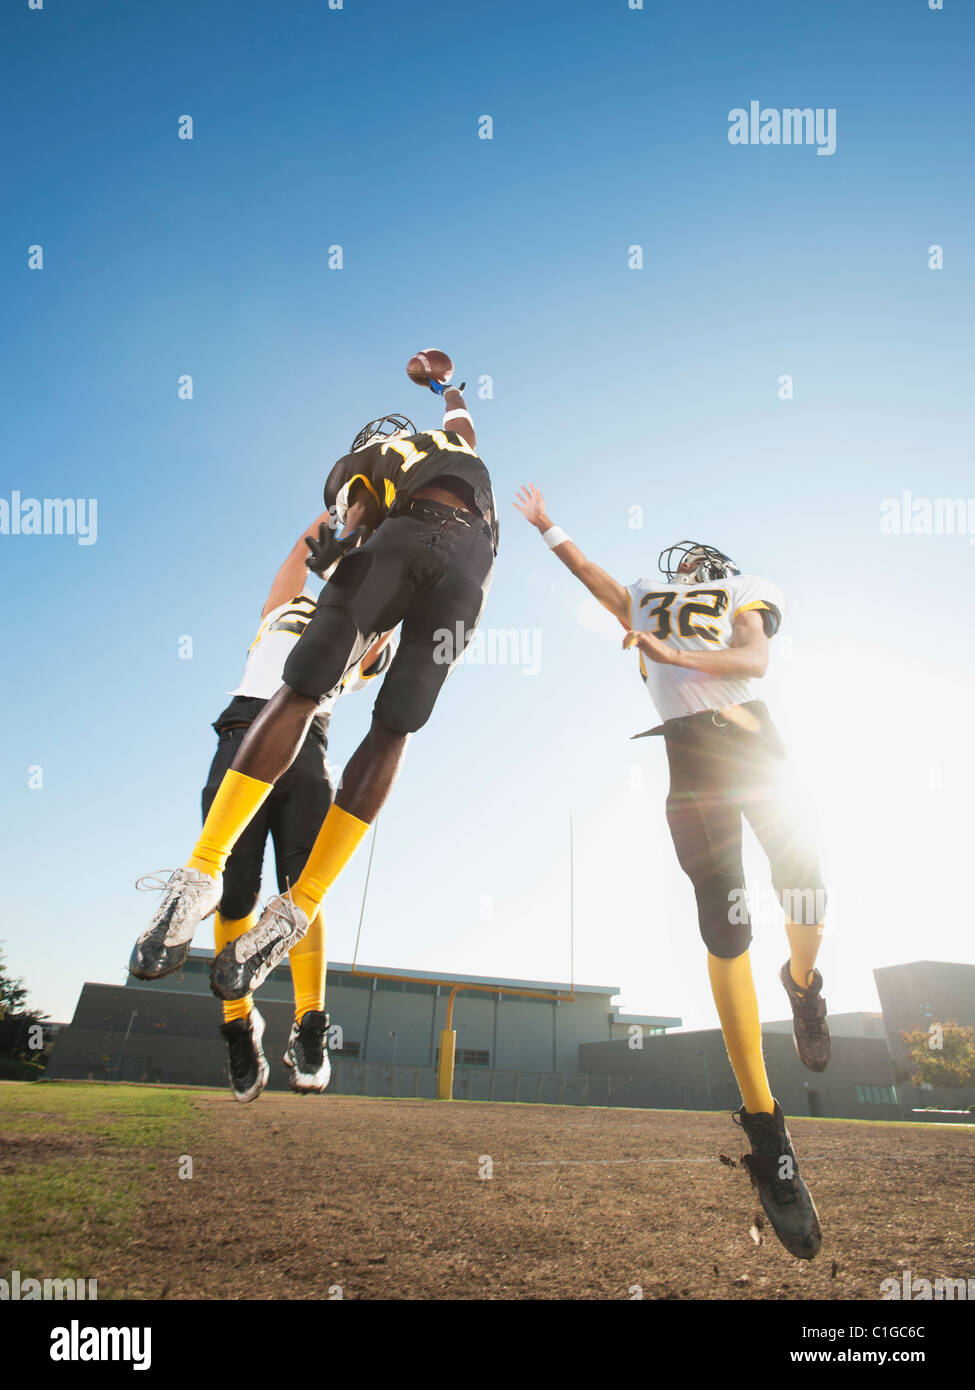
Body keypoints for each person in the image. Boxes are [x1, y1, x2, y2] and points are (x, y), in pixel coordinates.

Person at [514, 483, 828, 1261]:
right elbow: (597, 580)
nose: (684, 565)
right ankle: (766, 1129)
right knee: (724, 926)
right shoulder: (645, 602)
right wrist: (550, 526)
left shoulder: (743, 593)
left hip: (755, 749)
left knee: (804, 883)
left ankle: (803, 985)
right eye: (678, 560)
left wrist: (672, 653)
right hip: (688, 762)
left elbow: (752, 657)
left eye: (695, 559)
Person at [129, 368, 497, 1012]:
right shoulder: (399, 459)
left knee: (372, 707)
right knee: (338, 693)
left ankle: (277, 901)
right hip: (438, 551)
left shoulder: (419, 452)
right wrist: (446, 384)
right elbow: (357, 511)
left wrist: (446, 384)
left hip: (443, 556)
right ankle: (210, 877)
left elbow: (435, 447)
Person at [137, 516, 396, 1103]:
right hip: (243, 727)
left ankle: (310, 1024)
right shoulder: (281, 610)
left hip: (307, 743)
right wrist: (346, 505)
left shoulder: (358, 630)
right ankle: (238, 1023)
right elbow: (299, 554)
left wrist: (388, 533)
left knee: (299, 888)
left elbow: (386, 614)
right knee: (234, 892)